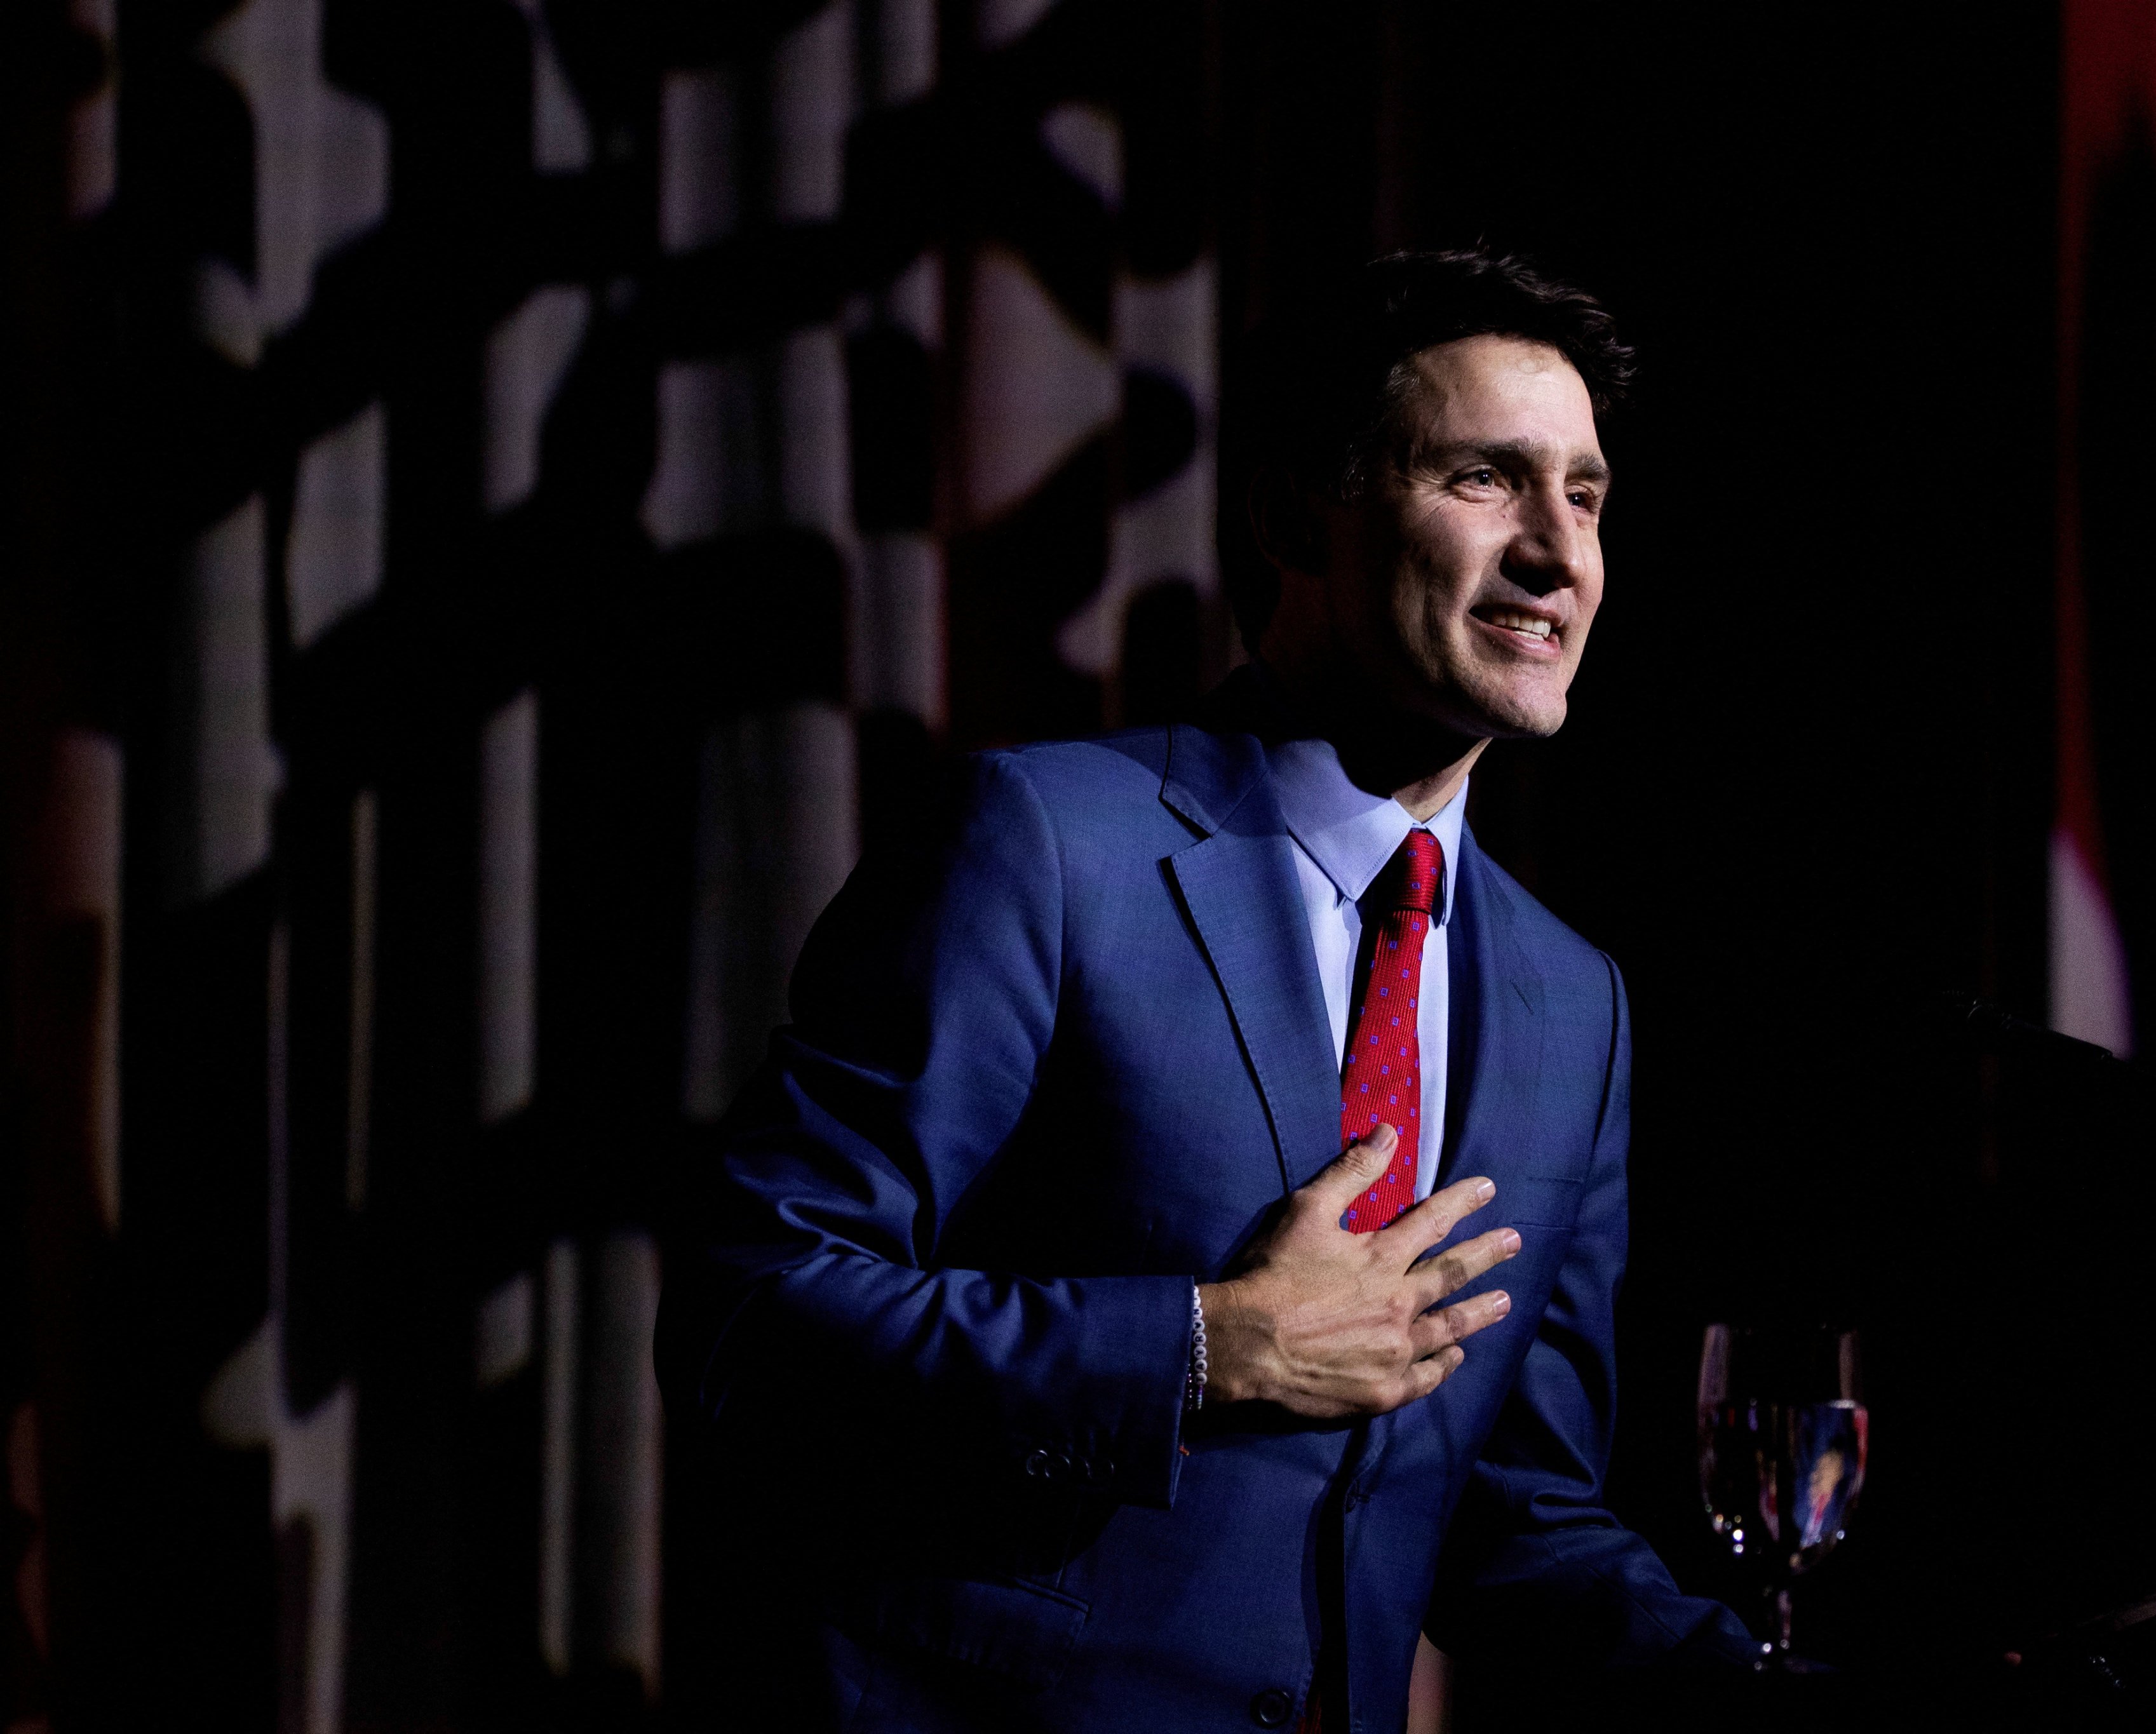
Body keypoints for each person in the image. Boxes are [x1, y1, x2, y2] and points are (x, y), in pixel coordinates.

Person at [659, 250, 1773, 1731]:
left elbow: (1510, 1511)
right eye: (1482, 480)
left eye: (1583, 496)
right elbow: (750, 1315)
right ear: (1290, 517)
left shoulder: (1576, 1005)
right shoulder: (1050, 846)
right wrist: (1199, 1348)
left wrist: (1788, 1695)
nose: (1554, 552)